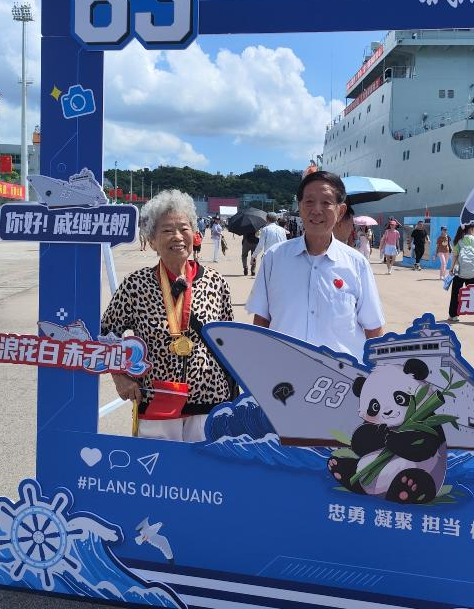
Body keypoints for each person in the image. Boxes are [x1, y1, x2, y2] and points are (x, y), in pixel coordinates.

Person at [101, 190, 237, 442]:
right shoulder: (136, 284)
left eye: (184, 229)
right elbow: (107, 333)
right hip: (156, 402)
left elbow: (229, 342)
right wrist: (120, 377)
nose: (177, 236)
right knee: (157, 466)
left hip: (209, 402)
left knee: (206, 467)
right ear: (152, 240)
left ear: (194, 234)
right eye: (166, 230)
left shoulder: (216, 282)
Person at [247, 170, 385, 360]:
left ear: (340, 211)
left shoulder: (357, 264)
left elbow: (374, 329)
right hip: (284, 372)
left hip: (342, 375)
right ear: (300, 206)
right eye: (309, 201)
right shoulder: (274, 258)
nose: (317, 210)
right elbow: (261, 321)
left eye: (326, 202)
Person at [448, 222, 474, 323]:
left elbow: (455, 256)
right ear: (471, 229)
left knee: (456, 293)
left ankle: (453, 315)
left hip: (460, 272)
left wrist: (451, 269)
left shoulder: (459, 241)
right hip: (473, 272)